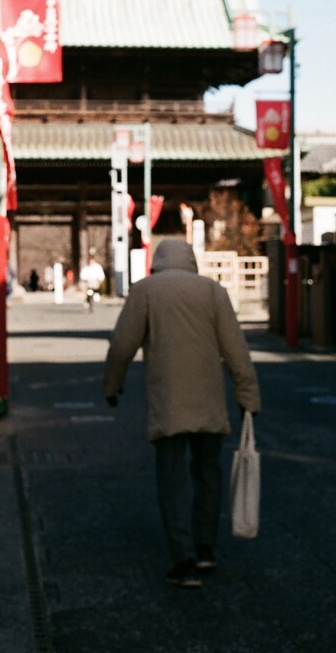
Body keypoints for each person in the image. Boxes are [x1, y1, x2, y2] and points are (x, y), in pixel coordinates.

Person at [102, 238, 261, 589]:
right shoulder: (212, 291)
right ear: (191, 261)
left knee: (173, 480)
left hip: (169, 402)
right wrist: (248, 396)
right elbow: (236, 348)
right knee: (207, 474)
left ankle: (184, 560)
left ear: (157, 262)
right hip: (210, 400)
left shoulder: (146, 291)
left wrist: (111, 387)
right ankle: (205, 548)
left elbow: (122, 345)